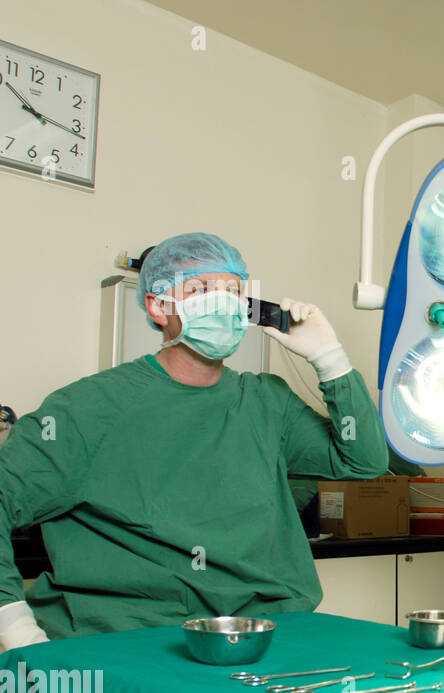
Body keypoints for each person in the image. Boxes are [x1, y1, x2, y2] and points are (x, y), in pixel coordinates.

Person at [0, 232, 388, 650]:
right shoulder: (89, 409)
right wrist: (15, 625)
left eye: (234, 291)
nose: (222, 303)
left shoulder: (266, 401)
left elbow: (362, 461)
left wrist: (330, 359)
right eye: (201, 289)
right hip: (132, 642)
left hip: (264, 636)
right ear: (158, 305)